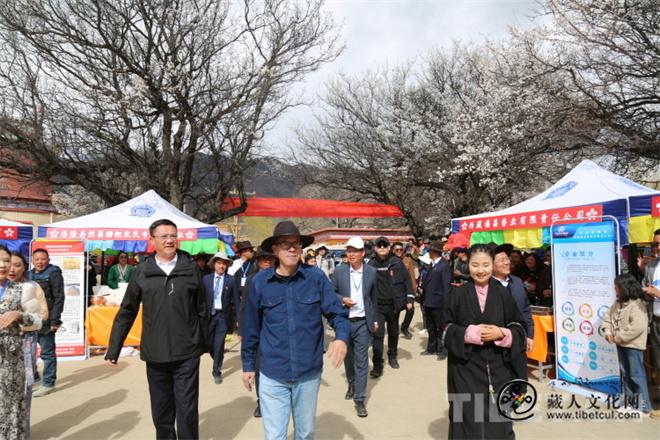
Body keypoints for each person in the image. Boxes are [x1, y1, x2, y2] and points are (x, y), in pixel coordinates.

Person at [241, 220, 349, 440]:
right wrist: (248, 365)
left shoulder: (316, 278)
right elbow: (251, 328)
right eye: (285, 244)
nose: (291, 248)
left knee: (305, 432)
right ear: (274, 249)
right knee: (274, 435)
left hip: (307, 372)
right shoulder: (260, 282)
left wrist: (341, 337)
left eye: (296, 243)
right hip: (272, 372)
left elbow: (337, 313)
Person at [106, 219, 208, 439]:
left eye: (173, 235)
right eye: (164, 236)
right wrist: (114, 348)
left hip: (187, 352)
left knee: (187, 409)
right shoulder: (142, 271)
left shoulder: (190, 268)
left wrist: (204, 342)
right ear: (151, 240)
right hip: (156, 352)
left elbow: (202, 308)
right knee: (162, 411)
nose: (170, 240)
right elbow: (127, 311)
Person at [442, 244, 527, 439]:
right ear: (467, 265)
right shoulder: (457, 294)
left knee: (499, 419)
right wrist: (468, 333)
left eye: (486, 265)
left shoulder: (503, 294)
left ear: (493, 266)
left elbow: (519, 327)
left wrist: (502, 333)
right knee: (467, 418)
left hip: (498, 368)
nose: (480, 270)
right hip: (465, 369)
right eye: (475, 265)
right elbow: (445, 329)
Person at [0, 245, 43, 439]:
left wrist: (20, 315)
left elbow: (37, 321)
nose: (4, 265)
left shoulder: (23, 289)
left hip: (11, 359)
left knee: (11, 406)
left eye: (7, 261)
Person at [332, 237, 377, 418]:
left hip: (363, 322)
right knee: (348, 357)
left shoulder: (372, 272)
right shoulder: (339, 271)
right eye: (349, 250)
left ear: (362, 253)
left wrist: (375, 320)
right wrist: (342, 299)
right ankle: (351, 382)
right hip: (345, 322)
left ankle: (359, 398)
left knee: (361, 360)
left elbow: (374, 298)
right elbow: (331, 292)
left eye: (355, 250)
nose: (351, 254)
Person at [8, 251, 48, 440]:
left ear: (25, 267)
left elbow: (42, 315)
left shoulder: (31, 287)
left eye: (17, 264)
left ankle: (22, 432)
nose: (11, 268)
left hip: (25, 342)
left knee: (23, 389)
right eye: (8, 263)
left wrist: (20, 318)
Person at [604, 273, 652, 414]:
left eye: (617, 287)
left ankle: (644, 406)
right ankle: (630, 402)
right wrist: (607, 331)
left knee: (636, 375)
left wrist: (617, 337)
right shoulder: (618, 303)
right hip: (621, 345)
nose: (615, 289)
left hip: (633, 346)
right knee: (625, 374)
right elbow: (607, 317)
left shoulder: (637, 304)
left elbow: (637, 327)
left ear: (624, 287)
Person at [238, 247, 276, 419]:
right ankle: (262, 402)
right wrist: (242, 329)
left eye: (269, 259)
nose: (267, 262)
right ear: (257, 261)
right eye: (263, 259)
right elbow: (244, 305)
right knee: (259, 367)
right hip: (257, 330)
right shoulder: (252, 280)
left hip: (274, 330)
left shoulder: (280, 278)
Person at [367, 236, 414, 377]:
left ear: (389, 248)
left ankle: (392, 356)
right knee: (378, 335)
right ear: (375, 248)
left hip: (394, 306)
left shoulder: (396, 263)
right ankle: (377, 364)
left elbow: (407, 281)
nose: (382, 248)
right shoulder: (370, 264)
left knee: (393, 333)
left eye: (385, 245)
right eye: (379, 246)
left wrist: (409, 298)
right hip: (377, 307)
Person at [491, 245, 534, 379]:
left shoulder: (517, 282)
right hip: (495, 345)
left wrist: (530, 335)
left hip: (518, 341)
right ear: (490, 265)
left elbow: (526, 310)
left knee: (520, 381)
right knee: (500, 381)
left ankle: (517, 399)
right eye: (502, 259)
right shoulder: (485, 286)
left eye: (508, 258)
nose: (507, 262)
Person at [29, 248, 65, 398]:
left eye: (43, 259)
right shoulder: (29, 274)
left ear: (48, 260)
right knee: (29, 352)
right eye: (37, 259)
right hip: (30, 320)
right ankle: (35, 378)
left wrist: (55, 321)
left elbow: (59, 298)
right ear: (33, 260)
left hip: (47, 320)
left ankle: (49, 383)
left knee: (47, 353)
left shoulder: (54, 274)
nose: (40, 262)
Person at [203, 251, 239, 385]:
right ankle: (217, 356)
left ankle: (216, 371)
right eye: (219, 263)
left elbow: (236, 300)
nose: (222, 266)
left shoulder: (231, 280)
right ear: (214, 264)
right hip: (209, 316)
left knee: (219, 344)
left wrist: (238, 318)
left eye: (224, 263)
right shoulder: (205, 279)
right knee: (209, 344)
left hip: (223, 316)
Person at [420, 240, 452, 360]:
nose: (428, 252)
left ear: (434, 252)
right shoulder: (432, 264)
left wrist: (446, 303)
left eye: (430, 250)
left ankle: (442, 349)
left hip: (438, 302)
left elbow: (446, 286)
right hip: (429, 301)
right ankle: (431, 348)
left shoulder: (444, 266)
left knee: (440, 327)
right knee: (430, 327)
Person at [641, 228, 660, 417]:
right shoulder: (651, 266)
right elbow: (644, 288)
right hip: (655, 320)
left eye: (659, 244)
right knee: (659, 361)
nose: (657, 247)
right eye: (654, 244)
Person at [393, 242, 417, 339]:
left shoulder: (407, 260)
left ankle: (404, 327)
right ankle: (395, 329)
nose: (399, 252)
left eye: (401, 250)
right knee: (396, 312)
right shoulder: (390, 261)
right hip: (395, 292)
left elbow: (411, 276)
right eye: (397, 250)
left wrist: (413, 291)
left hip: (406, 291)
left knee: (411, 309)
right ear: (393, 251)